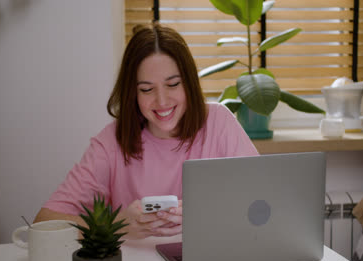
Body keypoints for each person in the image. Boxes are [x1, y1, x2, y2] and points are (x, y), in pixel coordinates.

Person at [34, 23, 258, 240]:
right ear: (133, 92)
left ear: (189, 83)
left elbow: (263, 202)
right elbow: (44, 222)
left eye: (173, 85)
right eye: (147, 89)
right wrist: (114, 226)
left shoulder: (219, 122)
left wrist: (208, 215)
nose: (161, 101)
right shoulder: (111, 142)